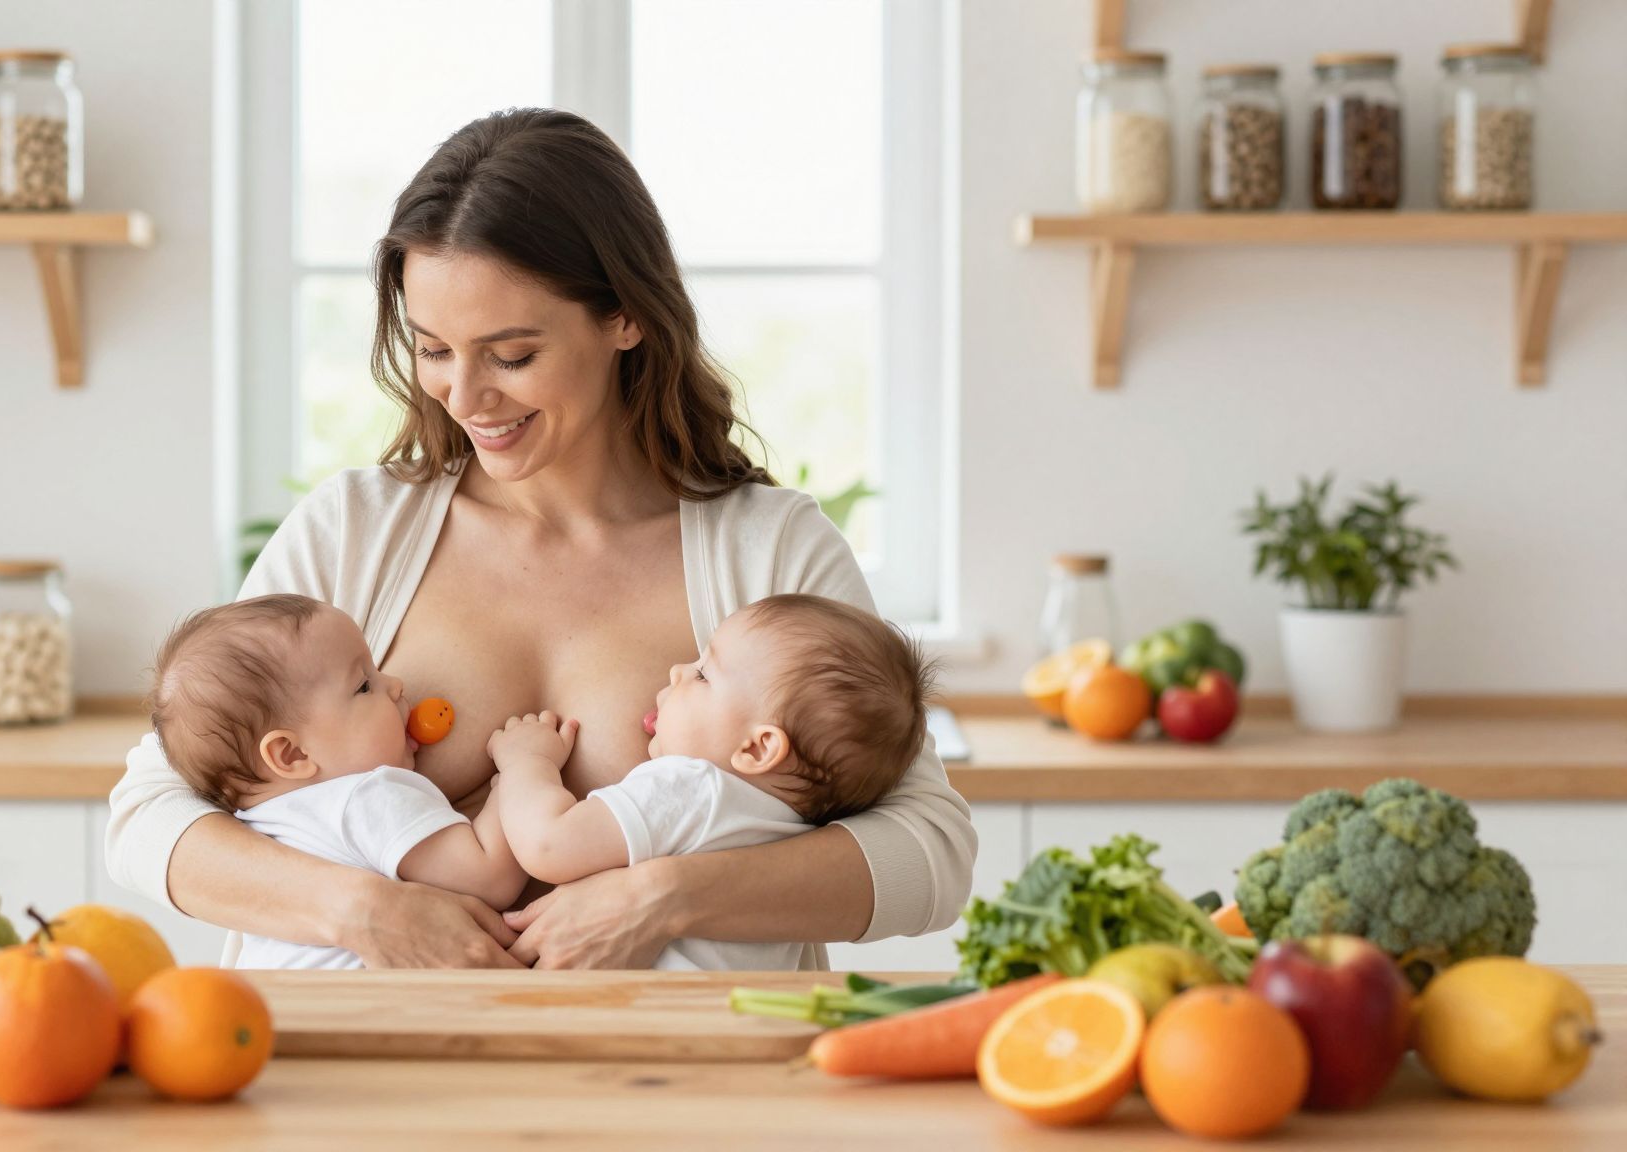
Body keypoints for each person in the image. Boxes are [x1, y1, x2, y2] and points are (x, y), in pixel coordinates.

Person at [108, 106, 977, 969]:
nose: (464, 396)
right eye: (433, 350)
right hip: (364, 1053)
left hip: (682, 1060)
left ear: (624, 317)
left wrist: (665, 896)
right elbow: (146, 818)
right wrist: (362, 912)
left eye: (512, 355)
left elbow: (931, 857)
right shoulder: (353, 532)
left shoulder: (768, 549)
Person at [489, 594, 935, 971]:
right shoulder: (796, 830)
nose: (677, 671)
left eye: (703, 674)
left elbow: (548, 845)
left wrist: (527, 763)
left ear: (757, 748)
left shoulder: (692, 787)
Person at [148, 594, 526, 969]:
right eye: (364, 686)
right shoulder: (365, 798)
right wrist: (520, 768)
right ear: (291, 755)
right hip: (359, 1006)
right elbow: (490, 877)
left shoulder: (249, 829)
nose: (396, 685)